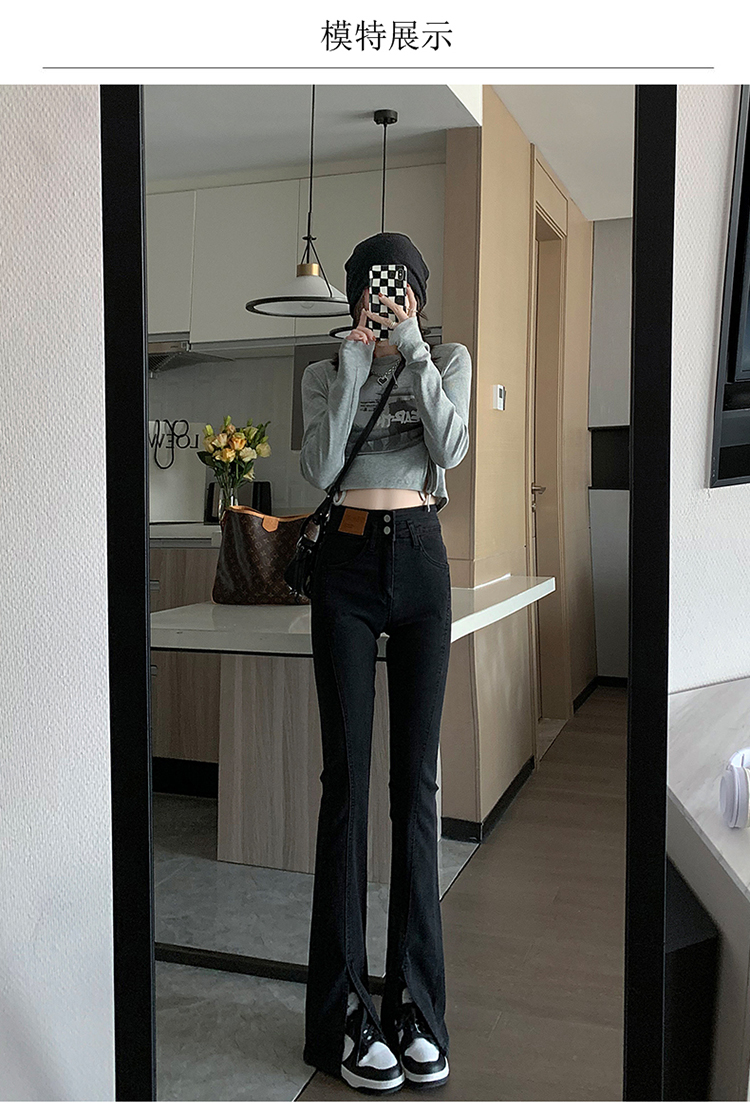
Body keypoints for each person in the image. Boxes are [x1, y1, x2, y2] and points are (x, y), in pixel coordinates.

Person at [298, 232, 472, 1094]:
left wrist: (412, 352)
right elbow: (319, 466)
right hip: (347, 563)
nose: (386, 300)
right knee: (346, 785)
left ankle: (413, 1008)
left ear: (418, 296)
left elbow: (452, 448)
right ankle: (340, 1016)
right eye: (372, 290)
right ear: (355, 297)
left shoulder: (448, 358)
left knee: (417, 788)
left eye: (399, 290)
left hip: (421, 562)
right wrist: (356, 364)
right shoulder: (326, 370)